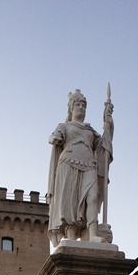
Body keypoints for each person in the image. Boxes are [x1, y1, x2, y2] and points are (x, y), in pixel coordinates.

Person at [47, 89, 113, 247]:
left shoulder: (89, 131)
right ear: (71, 108)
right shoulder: (64, 126)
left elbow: (103, 146)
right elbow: (53, 136)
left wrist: (108, 123)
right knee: (71, 202)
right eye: (78, 105)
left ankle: (93, 234)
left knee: (93, 196)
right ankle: (70, 234)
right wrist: (54, 138)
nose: (81, 108)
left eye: (84, 105)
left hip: (89, 164)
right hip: (68, 163)